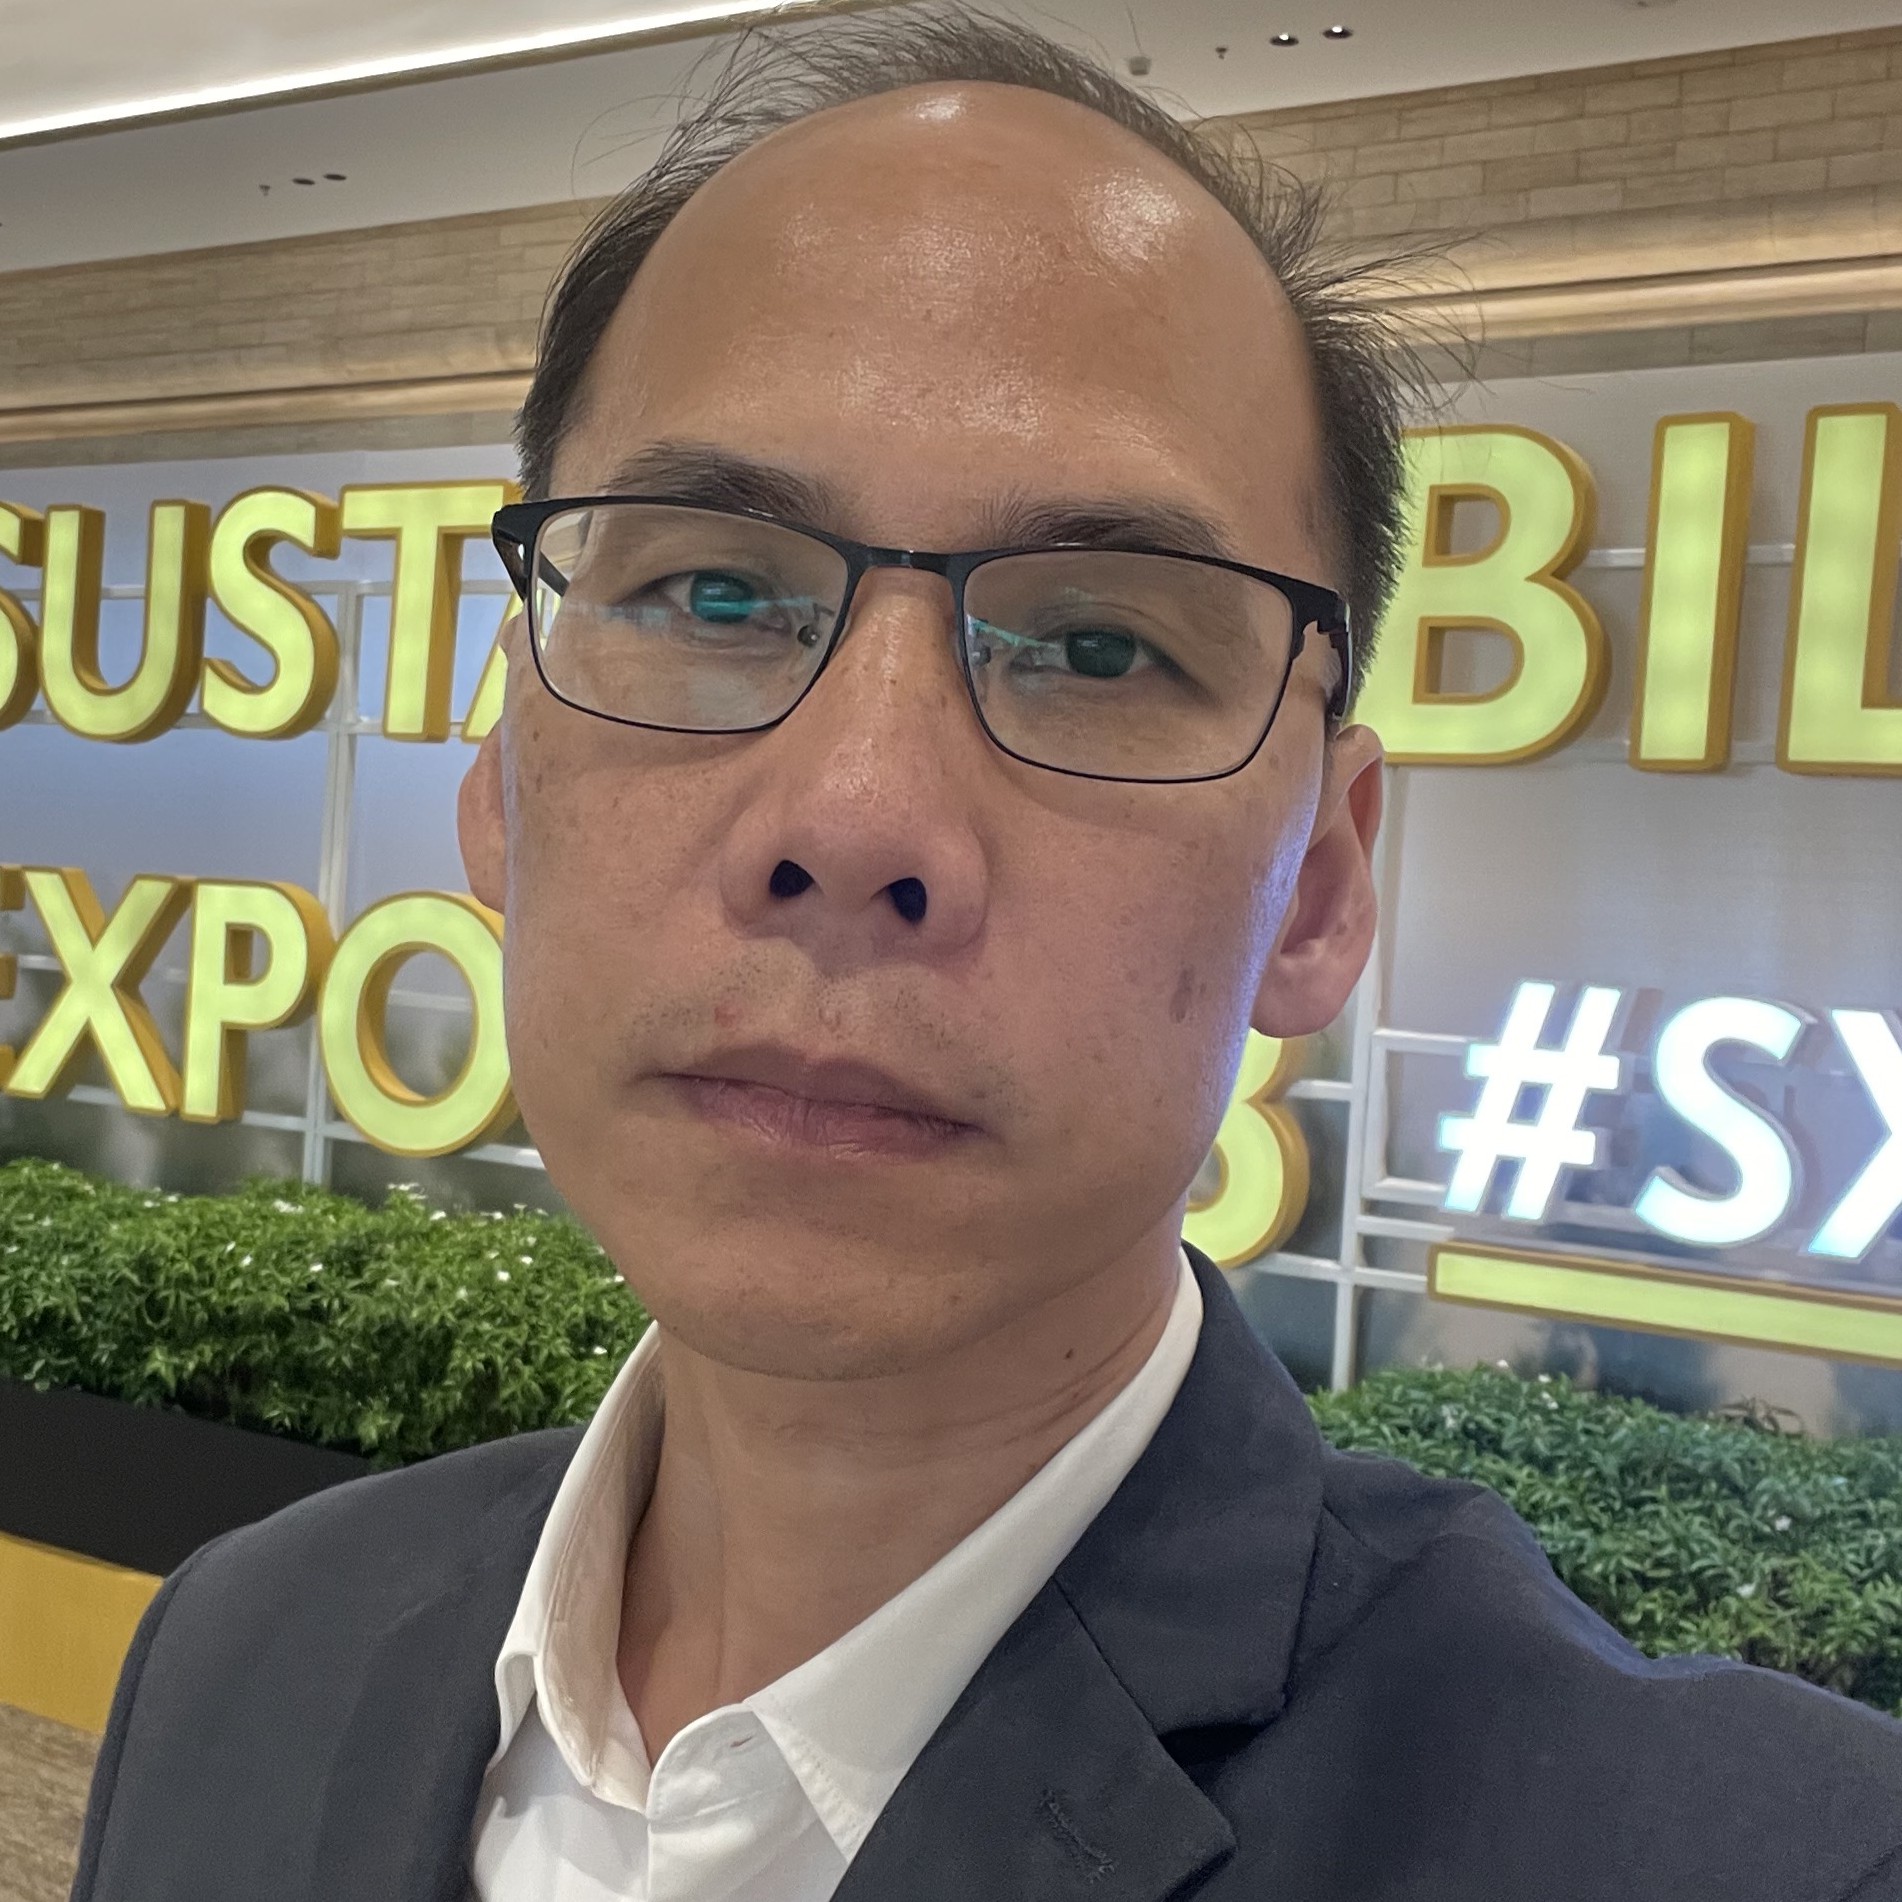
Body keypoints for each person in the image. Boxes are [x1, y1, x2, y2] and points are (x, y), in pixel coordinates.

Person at [70, 10, 1902, 1901]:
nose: (855, 817)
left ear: (1316, 886)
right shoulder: (247, 1646)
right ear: (497, 784)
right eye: (712, 590)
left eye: (1097, 647)